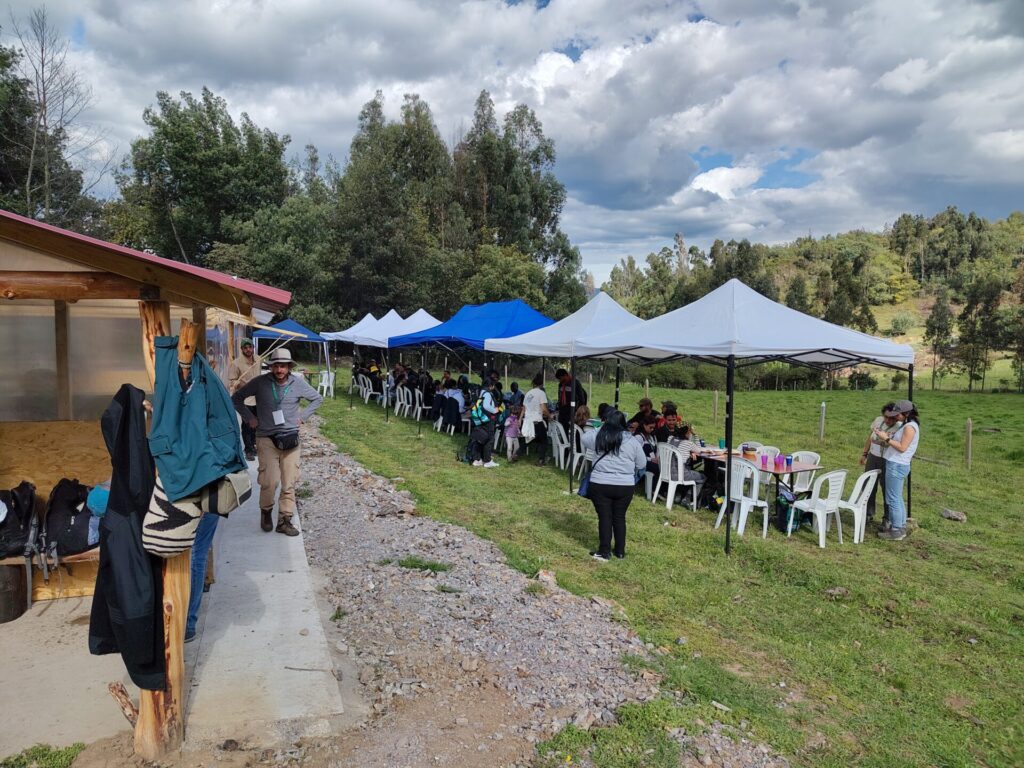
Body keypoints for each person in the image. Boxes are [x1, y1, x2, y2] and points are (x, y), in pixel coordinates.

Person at [231, 347, 323, 536]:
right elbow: (237, 398)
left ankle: (285, 520)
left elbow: (317, 399)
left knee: (289, 482)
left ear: (289, 367)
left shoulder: (297, 384)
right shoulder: (260, 383)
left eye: (283, 366)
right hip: (266, 438)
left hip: (291, 440)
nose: (280, 370)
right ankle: (266, 512)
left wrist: (303, 416)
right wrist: (249, 417)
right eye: (276, 366)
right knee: (269, 481)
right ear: (271, 367)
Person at [581, 410, 646, 561]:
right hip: (625, 485)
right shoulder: (632, 441)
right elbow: (642, 464)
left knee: (604, 517)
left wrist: (600, 427)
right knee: (619, 517)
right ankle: (620, 551)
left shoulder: (599, 436)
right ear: (624, 424)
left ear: (606, 422)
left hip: (600, 483)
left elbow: (584, 438)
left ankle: (604, 551)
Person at [874, 400, 920, 541]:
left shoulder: (909, 427)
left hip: (896, 465)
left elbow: (902, 447)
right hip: (898, 464)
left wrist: (886, 438)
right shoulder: (908, 425)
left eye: (897, 414)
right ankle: (900, 527)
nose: (895, 417)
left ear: (906, 413)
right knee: (897, 497)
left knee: (892, 498)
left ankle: (895, 531)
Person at [860, 402, 894, 525]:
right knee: (868, 485)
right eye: (886, 417)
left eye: (892, 418)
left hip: (888, 460)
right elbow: (870, 437)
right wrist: (865, 453)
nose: (888, 420)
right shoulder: (878, 421)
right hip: (873, 457)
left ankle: (887, 518)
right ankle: (868, 513)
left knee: (887, 488)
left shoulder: (900, 426)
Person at [228, 338, 261, 461]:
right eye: (245, 348)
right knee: (248, 424)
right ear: (242, 349)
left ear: (253, 347)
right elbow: (231, 381)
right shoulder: (236, 363)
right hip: (245, 399)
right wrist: (236, 383)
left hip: (257, 398)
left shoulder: (258, 359)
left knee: (257, 423)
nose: (248, 350)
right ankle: (248, 450)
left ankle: (253, 445)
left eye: (250, 347)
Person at [666, 424, 707, 508]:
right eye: (690, 433)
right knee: (702, 477)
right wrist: (695, 435)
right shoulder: (688, 443)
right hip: (680, 474)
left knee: (690, 471)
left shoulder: (670, 439)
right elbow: (700, 450)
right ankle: (688, 499)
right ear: (687, 434)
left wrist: (690, 452)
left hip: (666, 471)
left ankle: (678, 494)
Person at [468, 378, 501, 468]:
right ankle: (487, 461)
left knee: (480, 438)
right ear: (490, 386)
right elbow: (486, 406)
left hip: (481, 419)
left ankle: (477, 459)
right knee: (489, 439)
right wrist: (495, 410)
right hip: (488, 419)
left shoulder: (481, 392)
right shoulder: (488, 394)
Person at [523, 373, 552, 466]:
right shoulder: (541, 393)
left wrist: (520, 419)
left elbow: (524, 408)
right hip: (537, 420)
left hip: (528, 420)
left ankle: (516, 453)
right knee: (544, 441)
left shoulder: (528, 393)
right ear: (541, 384)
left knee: (529, 439)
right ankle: (541, 460)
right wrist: (549, 416)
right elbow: (543, 409)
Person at [555, 368, 587, 433]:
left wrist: (578, 411)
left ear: (565, 375)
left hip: (572, 411)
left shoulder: (575, 383)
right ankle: (565, 441)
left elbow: (582, 398)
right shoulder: (561, 384)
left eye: (560, 378)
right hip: (563, 412)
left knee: (574, 430)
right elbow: (560, 397)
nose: (559, 380)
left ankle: (574, 442)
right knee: (564, 429)